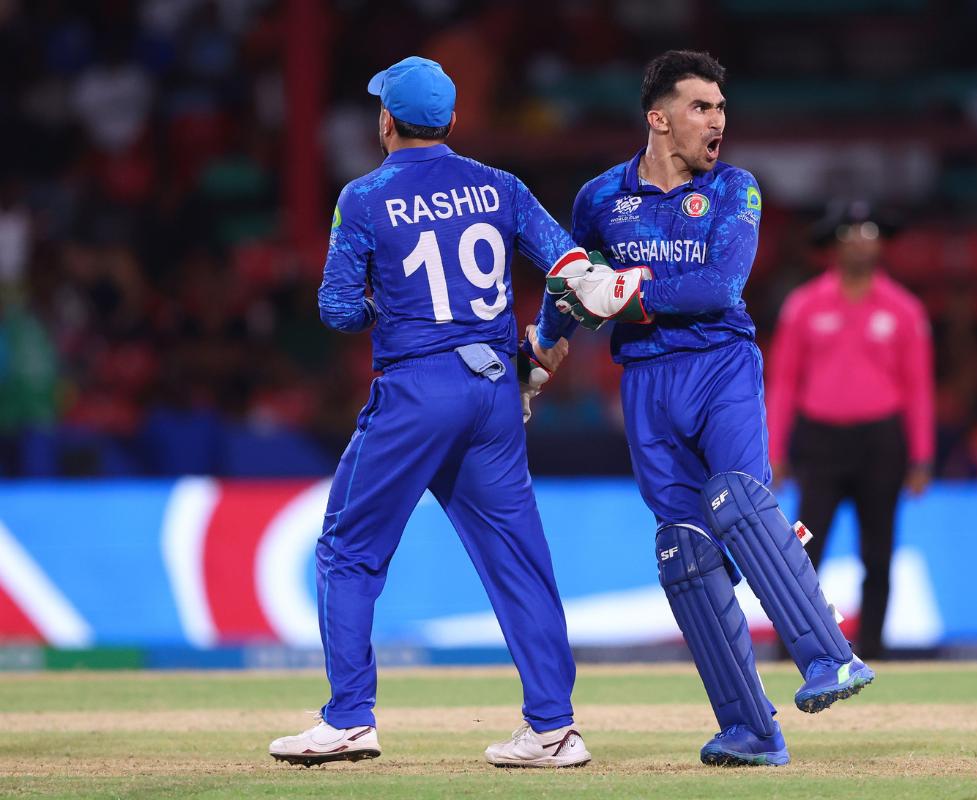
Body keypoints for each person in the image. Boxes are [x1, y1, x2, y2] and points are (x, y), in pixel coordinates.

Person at [541, 50, 873, 768]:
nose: (717, 121)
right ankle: (752, 730)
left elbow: (719, 285)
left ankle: (830, 656)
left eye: (721, 108)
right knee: (685, 554)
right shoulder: (600, 198)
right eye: (701, 107)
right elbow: (568, 278)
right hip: (645, 386)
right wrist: (546, 347)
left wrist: (623, 294)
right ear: (658, 118)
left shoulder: (735, 191)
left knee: (740, 504)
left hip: (720, 367)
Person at [268, 57, 593, 769]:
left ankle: (350, 718)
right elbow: (572, 269)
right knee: (518, 560)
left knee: (347, 552)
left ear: (385, 121)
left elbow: (336, 309)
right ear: (450, 120)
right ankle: (554, 728)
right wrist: (541, 348)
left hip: (418, 390)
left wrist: (389, 302)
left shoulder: (363, 196)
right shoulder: (501, 186)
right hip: (495, 388)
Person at [765, 200, 935, 660]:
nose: (861, 241)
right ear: (833, 245)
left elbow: (918, 387)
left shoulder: (904, 310)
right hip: (821, 443)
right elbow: (783, 383)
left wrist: (921, 457)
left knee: (878, 553)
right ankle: (793, 649)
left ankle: (875, 649)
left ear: (882, 243)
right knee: (801, 552)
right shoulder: (803, 307)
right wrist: (773, 450)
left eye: (870, 231)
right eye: (850, 233)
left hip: (881, 442)